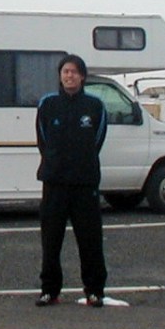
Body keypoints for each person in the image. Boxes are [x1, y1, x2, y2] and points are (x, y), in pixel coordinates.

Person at [34, 54, 108, 307]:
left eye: (74, 72)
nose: (69, 76)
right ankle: (49, 290)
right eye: (65, 71)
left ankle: (94, 291)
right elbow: (42, 139)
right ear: (60, 75)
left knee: (90, 240)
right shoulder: (48, 104)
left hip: (85, 184)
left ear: (82, 76)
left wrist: (81, 163)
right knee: (51, 240)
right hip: (54, 182)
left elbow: (97, 140)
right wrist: (55, 163)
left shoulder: (95, 105)